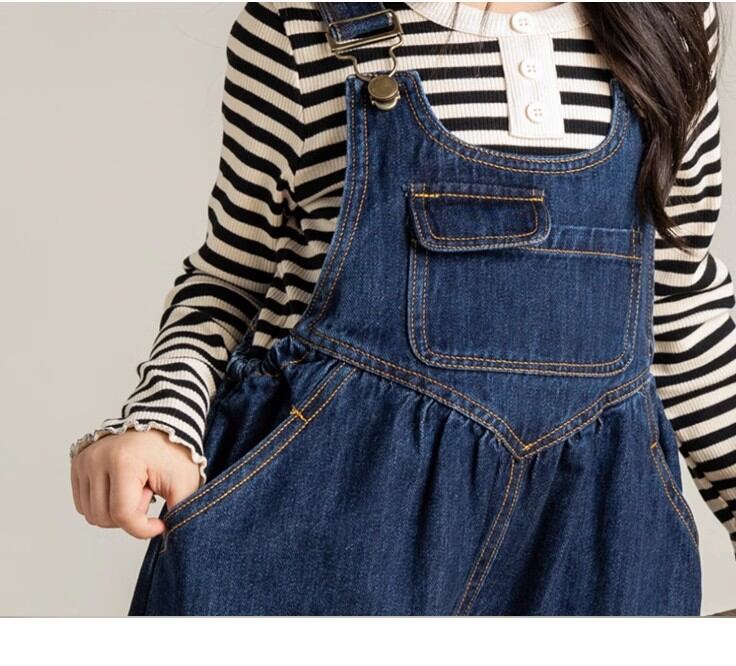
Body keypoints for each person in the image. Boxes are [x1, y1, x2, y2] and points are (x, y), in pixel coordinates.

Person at [69, 2, 733, 615]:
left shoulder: (671, 21)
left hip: (593, 543)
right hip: (327, 534)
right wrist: (161, 422)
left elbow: (679, 300)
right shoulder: (299, 25)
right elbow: (232, 276)